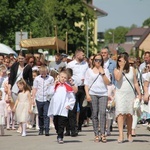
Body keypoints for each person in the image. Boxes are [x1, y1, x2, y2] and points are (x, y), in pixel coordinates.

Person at [114, 53, 141, 143]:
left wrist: (139, 94)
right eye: (119, 60)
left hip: (130, 94)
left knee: (129, 115)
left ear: (126, 61)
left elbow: (135, 82)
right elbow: (117, 79)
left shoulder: (132, 69)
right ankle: (121, 134)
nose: (120, 62)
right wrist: (121, 68)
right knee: (121, 114)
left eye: (122, 61)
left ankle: (129, 133)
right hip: (120, 94)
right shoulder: (116, 70)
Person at [84, 54, 110, 143]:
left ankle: (103, 133)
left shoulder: (105, 70)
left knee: (102, 113)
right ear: (93, 61)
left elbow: (107, 82)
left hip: (103, 93)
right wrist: (87, 95)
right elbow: (86, 84)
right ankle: (96, 134)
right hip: (93, 93)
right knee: (94, 114)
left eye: (99, 60)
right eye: (96, 60)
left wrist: (102, 73)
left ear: (102, 61)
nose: (98, 62)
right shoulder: (89, 71)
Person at [47, 70, 76, 144]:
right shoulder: (56, 86)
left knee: (61, 123)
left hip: (63, 108)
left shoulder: (67, 87)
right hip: (55, 107)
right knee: (56, 122)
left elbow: (72, 98)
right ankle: (58, 132)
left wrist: (69, 105)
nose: (63, 79)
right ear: (58, 77)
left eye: (65, 78)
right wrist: (54, 84)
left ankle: (60, 136)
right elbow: (49, 93)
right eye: (62, 77)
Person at [67, 48, 89, 132]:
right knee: (74, 107)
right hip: (73, 87)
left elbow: (88, 74)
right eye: (82, 55)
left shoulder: (85, 64)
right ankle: (73, 126)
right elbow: (67, 74)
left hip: (83, 87)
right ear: (77, 55)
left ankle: (80, 124)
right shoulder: (70, 64)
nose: (84, 56)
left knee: (83, 107)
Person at [32, 65, 54, 136]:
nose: (43, 74)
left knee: (46, 114)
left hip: (47, 99)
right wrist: (33, 98)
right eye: (42, 72)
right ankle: (41, 128)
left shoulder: (50, 78)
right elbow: (35, 88)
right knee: (40, 114)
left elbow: (52, 88)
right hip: (39, 98)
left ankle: (47, 129)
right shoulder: (37, 79)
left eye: (44, 72)